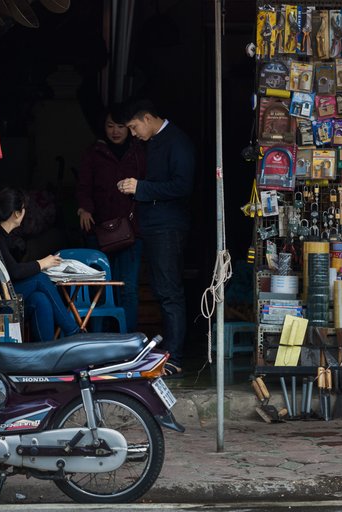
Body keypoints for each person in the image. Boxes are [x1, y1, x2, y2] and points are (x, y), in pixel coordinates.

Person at [117, 99, 195, 376]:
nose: (133, 133)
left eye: (134, 127)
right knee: (162, 291)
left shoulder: (177, 142)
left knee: (169, 292)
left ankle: (174, 355)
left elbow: (182, 185)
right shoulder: (147, 144)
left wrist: (142, 188)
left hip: (168, 227)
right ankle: (168, 351)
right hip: (151, 224)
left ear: (148, 118)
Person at [76, 104, 146, 333]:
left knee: (128, 288)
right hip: (99, 231)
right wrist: (84, 209)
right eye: (109, 126)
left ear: (129, 128)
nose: (115, 131)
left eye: (120, 126)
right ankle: (100, 337)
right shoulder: (93, 153)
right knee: (100, 288)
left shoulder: (138, 152)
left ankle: (128, 339)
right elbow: (83, 186)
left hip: (131, 230)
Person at [0, 188, 81, 342]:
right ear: (17, 213)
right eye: (23, 208)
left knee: (40, 299)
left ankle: (46, 354)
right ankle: (73, 332)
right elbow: (15, 272)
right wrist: (43, 263)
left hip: (9, 297)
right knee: (40, 279)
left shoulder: (7, 237)